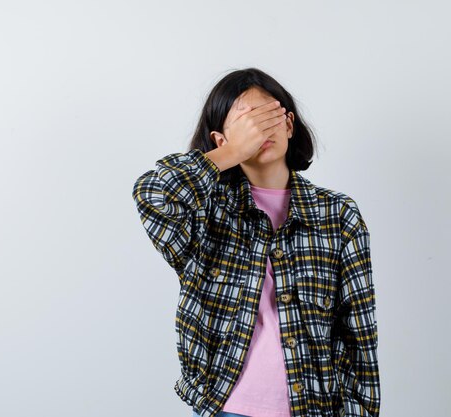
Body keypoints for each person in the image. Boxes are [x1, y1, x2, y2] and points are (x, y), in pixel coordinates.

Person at [132, 68, 380, 417]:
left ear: (290, 125)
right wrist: (230, 154)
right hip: (226, 406)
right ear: (222, 141)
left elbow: (358, 331)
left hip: (315, 408)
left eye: (270, 116)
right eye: (247, 122)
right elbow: (152, 193)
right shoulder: (207, 211)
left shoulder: (337, 214)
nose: (261, 129)